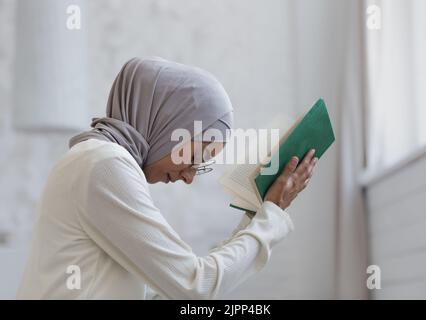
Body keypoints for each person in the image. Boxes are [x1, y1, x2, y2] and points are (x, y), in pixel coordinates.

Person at [17, 57, 317, 299]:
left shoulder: (93, 159)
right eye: (193, 158)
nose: (188, 177)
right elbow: (196, 287)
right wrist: (272, 216)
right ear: (168, 122)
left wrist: (256, 217)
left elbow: (170, 288)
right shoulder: (106, 165)